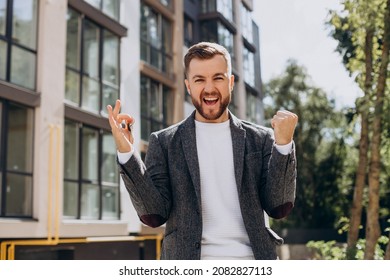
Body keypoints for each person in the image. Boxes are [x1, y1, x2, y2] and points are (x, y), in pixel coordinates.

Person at [107, 42, 298, 260]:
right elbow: (153, 215)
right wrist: (127, 152)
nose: (209, 88)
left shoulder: (262, 139)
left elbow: (279, 207)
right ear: (188, 86)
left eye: (218, 78)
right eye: (199, 80)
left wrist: (283, 145)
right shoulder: (164, 142)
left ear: (231, 82)